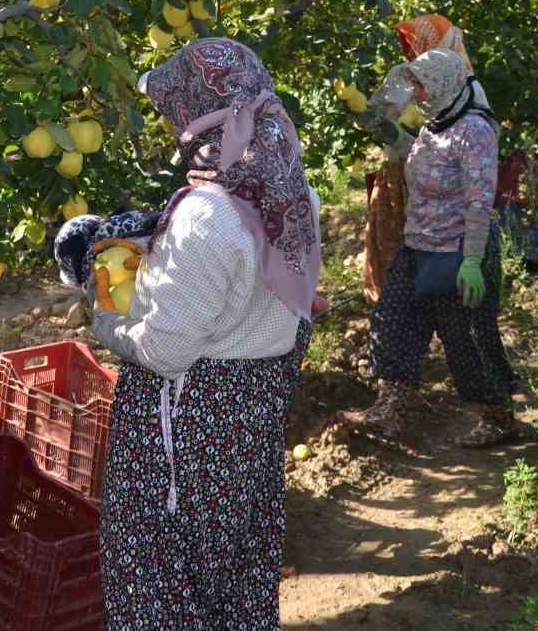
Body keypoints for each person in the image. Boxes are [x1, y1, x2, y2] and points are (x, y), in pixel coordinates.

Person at [89, 38, 320, 631]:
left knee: (160, 589)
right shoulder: (292, 191)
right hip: (250, 422)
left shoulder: (206, 214)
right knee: (237, 581)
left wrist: (107, 317)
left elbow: (164, 351)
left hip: (189, 431)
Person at [340, 48, 519, 449]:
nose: (416, 94)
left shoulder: (474, 131)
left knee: (467, 339)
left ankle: (498, 417)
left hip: (458, 249)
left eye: (421, 85)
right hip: (418, 243)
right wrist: (388, 133)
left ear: (443, 85)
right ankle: (390, 411)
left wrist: (472, 260)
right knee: (393, 321)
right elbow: (423, 159)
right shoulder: (435, 126)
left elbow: (479, 201)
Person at [362, 14, 489, 301]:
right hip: (419, 230)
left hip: (448, 237)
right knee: (399, 305)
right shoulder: (433, 100)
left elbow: (477, 191)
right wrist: (393, 135)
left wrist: (472, 258)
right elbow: (428, 150)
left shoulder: (465, 109)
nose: (411, 52)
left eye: (416, 45)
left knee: (445, 312)